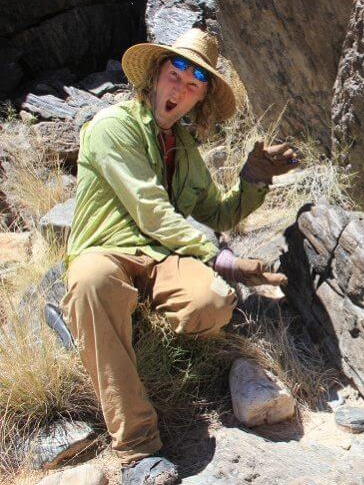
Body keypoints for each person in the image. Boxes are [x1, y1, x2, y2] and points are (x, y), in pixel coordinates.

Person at [61, 28, 299, 484]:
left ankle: (120, 327)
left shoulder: (184, 147)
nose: (181, 89)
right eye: (175, 74)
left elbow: (217, 212)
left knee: (211, 305)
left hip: (158, 258)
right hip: (105, 251)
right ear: (155, 77)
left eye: (194, 85)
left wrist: (254, 177)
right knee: (93, 281)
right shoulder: (112, 126)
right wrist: (222, 259)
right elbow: (151, 212)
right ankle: (136, 449)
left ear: (200, 100)